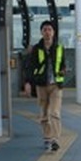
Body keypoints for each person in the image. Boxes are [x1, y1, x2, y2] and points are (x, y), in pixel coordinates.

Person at [24, 20, 66, 152]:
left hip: (56, 85)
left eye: (50, 30)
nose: (47, 32)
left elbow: (63, 63)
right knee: (43, 114)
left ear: (53, 33)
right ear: (41, 32)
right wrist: (27, 83)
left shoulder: (59, 48)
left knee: (55, 112)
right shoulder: (36, 49)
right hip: (41, 85)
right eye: (45, 30)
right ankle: (47, 137)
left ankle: (55, 140)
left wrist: (62, 70)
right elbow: (30, 67)